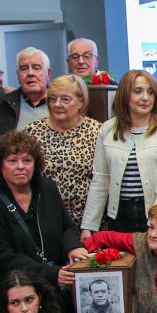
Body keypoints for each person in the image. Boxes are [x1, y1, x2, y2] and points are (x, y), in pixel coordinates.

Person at [0, 131, 87, 313]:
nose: (20, 167)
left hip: (53, 297)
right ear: (0, 165)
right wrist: (50, 272)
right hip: (16, 298)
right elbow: (0, 256)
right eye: (12, 161)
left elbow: (67, 226)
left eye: (27, 160)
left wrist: (73, 246)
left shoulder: (47, 189)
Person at [82, 70, 157, 235]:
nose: (145, 97)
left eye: (150, 92)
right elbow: (100, 179)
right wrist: (88, 226)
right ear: (124, 94)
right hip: (119, 215)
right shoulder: (107, 129)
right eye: (138, 91)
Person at [23, 75, 103, 226]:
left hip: (87, 221)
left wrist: (89, 224)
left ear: (81, 101)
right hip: (45, 219)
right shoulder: (32, 132)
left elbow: (102, 180)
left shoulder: (97, 131)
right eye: (52, 99)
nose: (57, 104)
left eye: (65, 99)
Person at [0, 47, 53, 143]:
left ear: (48, 74)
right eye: (24, 69)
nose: (30, 73)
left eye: (36, 68)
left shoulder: (63, 104)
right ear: (17, 75)